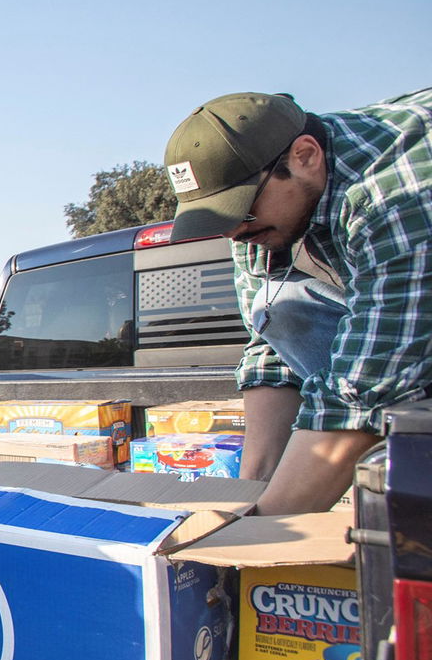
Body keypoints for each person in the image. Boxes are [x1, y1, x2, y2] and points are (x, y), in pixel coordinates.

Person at [164, 87, 432, 514]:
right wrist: (248, 497)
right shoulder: (261, 218)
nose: (235, 234)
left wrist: (262, 537)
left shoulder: (398, 196)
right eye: (222, 220)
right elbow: (269, 348)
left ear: (305, 156)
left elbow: (362, 389)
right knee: (279, 305)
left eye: (242, 212)